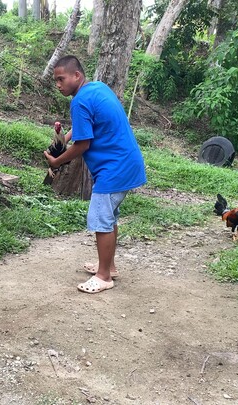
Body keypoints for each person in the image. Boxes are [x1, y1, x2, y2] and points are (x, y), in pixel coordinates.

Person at [44, 55, 146, 294]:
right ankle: (109, 266)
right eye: (55, 80)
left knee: (101, 219)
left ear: (76, 76)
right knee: (109, 217)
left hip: (114, 168)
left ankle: (103, 277)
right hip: (127, 162)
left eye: (61, 79)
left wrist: (57, 161)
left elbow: (83, 145)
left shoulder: (78, 102)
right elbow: (84, 128)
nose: (58, 85)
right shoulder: (97, 88)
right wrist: (63, 138)